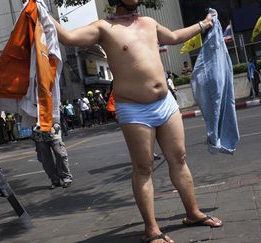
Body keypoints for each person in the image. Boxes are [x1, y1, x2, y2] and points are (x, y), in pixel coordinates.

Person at [52, 1, 222, 242]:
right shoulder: (104, 27)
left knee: (179, 158)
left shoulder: (148, 22)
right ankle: (152, 230)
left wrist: (203, 25)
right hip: (133, 109)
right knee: (143, 168)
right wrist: (39, 10)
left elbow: (173, 36)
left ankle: (193, 212)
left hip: (165, 103)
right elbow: (68, 37)